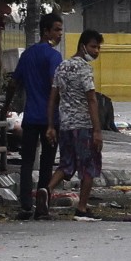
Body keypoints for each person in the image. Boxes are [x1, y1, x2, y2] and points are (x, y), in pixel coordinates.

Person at [11, 13, 65, 220]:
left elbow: (14, 83)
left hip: (31, 117)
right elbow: (55, 85)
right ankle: (42, 204)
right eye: (57, 30)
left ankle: (25, 204)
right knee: (47, 161)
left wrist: (5, 106)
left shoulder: (27, 55)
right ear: (46, 31)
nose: (59, 34)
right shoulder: (53, 56)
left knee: (27, 161)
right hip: (50, 119)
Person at [50, 30, 105, 219]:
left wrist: (51, 124)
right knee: (88, 166)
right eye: (93, 46)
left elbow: (53, 98)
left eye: (98, 47)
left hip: (66, 125)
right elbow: (91, 100)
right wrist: (97, 130)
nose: (96, 51)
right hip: (84, 126)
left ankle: (46, 192)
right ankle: (82, 207)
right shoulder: (84, 68)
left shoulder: (62, 66)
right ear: (83, 46)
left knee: (66, 165)